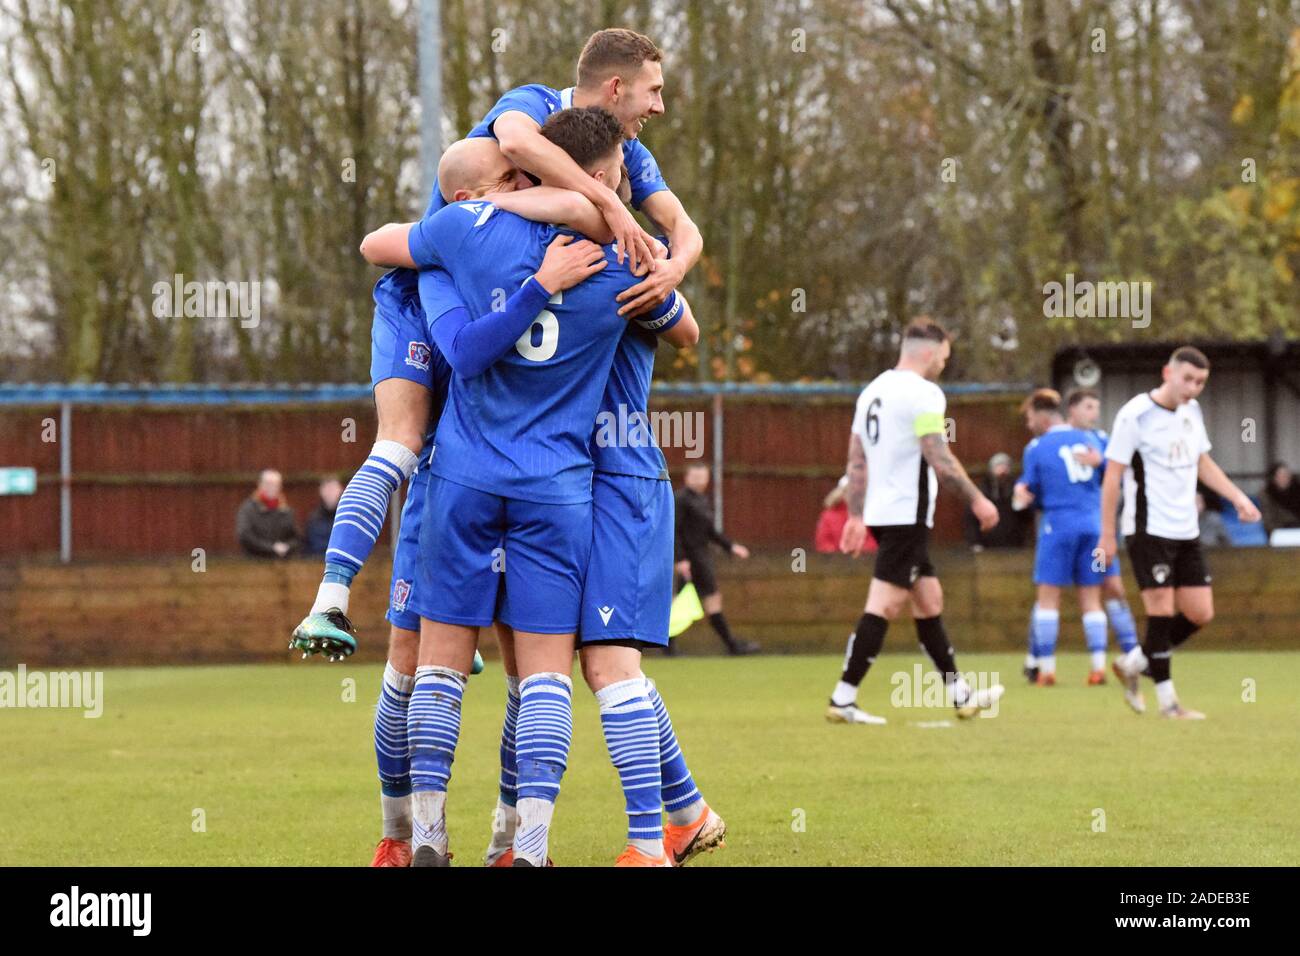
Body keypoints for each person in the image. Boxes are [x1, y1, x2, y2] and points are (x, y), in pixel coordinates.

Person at [384, 107, 694, 868]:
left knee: (439, 663)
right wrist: (636, 240)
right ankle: (528, 848)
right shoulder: (624, 261)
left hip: (462, 475)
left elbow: (379, 247)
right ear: (597, 177)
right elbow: (685, 328)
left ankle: (425, 837)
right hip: (558, 486)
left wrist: (490, 210)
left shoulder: (461, 235)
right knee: (548, 674)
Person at [826, 318, 1005, 725]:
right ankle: (843, 697)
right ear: (928, 352)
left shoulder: (872, 391)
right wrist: (979, 500)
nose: (944, 362)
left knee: (929, 601)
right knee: (885, 604)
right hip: (906, 514)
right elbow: (938, 457)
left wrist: (856, 515)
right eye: (944, 355)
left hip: (883, 514)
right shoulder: (924, 393)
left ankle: (961, 696)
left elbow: (857, 459)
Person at [1101, 346, 1262, 719]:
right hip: (1148, 529)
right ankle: (1169, 703)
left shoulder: (1192, 412)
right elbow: (1111, 477)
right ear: (1167, 373)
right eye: (1187, 379)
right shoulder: (1135, 415)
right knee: (1161, 612)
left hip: (1185, 529)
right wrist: (1106, 535)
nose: (1192, 388)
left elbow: (1201, 461)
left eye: (1200, 382)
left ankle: (1135, 662)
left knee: (1200, 612)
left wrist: (1236, 496)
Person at [1012, 389, 1110, 686]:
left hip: (1058, 527)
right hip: (1093, 526)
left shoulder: (1037, 447)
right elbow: (1112, 475)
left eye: (1030, 418)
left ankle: (1046, 669)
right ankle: (1098, 668)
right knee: (1092, 599)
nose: (1029, 424)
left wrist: (1019, 494)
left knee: (1048, 600)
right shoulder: (1094, 439)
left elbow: (1029, 492)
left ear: (1042, 417)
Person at [673, 463, 759, 655]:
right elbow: (674, 531)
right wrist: (680, 559)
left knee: (683, 601)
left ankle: (670, 646)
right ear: (687, 478)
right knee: (706, 599)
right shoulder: (681, 500)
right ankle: (731, 645)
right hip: (692, 558)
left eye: (703, 477)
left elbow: (710, 532)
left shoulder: (701, 500)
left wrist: (730, 546)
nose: (700, 481)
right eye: (695, 477)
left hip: (702, 556)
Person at [964, 452, 1032, 549]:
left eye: (1006, 466)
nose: (1002, 470)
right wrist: (975, 542)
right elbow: (971, 519)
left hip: (1014, 544)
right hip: (987, 544)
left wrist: (1023, 505)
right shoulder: (982, 490)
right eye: (998, 466)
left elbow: (1026, 518)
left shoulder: (1017, 489)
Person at [236, 469, 298, 558]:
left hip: (282, 562)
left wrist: (287, 547)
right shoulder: (248, 509)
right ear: (260, 485)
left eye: (275, 484)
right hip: (253, 562)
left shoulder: (286, 510)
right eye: (268, 484)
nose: (272, 488)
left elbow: (296, 537)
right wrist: (270, 548)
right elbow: (245, 536)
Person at [302, 478, 343, 556]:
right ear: (321, 492)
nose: (330, 493)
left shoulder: (346, 518)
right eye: (327, 489)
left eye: (333, 489)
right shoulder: (313, 519)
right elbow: (314, 545)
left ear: (340, 491)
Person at [1262, 461, 1300, 535]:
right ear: (1274, 478)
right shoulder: (1267, 494)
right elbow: (1268, 520)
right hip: (1280, 531)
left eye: (1287, 475)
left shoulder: (1297, 489)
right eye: (1281, 476)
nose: (1285, 478)